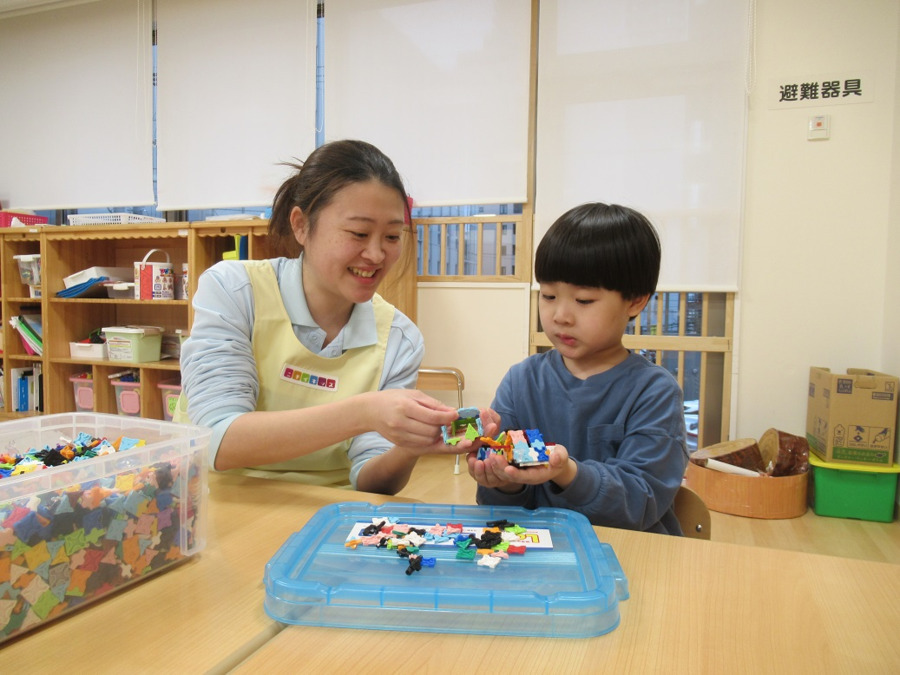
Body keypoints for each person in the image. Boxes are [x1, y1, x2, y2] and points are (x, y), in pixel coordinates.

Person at [178, 139, 467, 493]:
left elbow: (373, 482)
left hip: (330, 513)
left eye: (392, 236)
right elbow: (217, 440)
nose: (376, 254)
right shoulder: (235, 291)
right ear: (301, 225)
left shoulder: (398, 339)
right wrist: (364, 413)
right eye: (359, 233)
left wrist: (409, 447)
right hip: (217, 502)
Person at [467, 202, 689, 535]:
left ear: (635, 301)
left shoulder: (654, 391)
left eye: (583, 300)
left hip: (628, 552)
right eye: (548, 296)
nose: (561, 316)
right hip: (540, 550)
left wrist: (566, 472)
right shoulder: (522, 381)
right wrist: (504, 480)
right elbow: (498, 507)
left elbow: (640, 503)